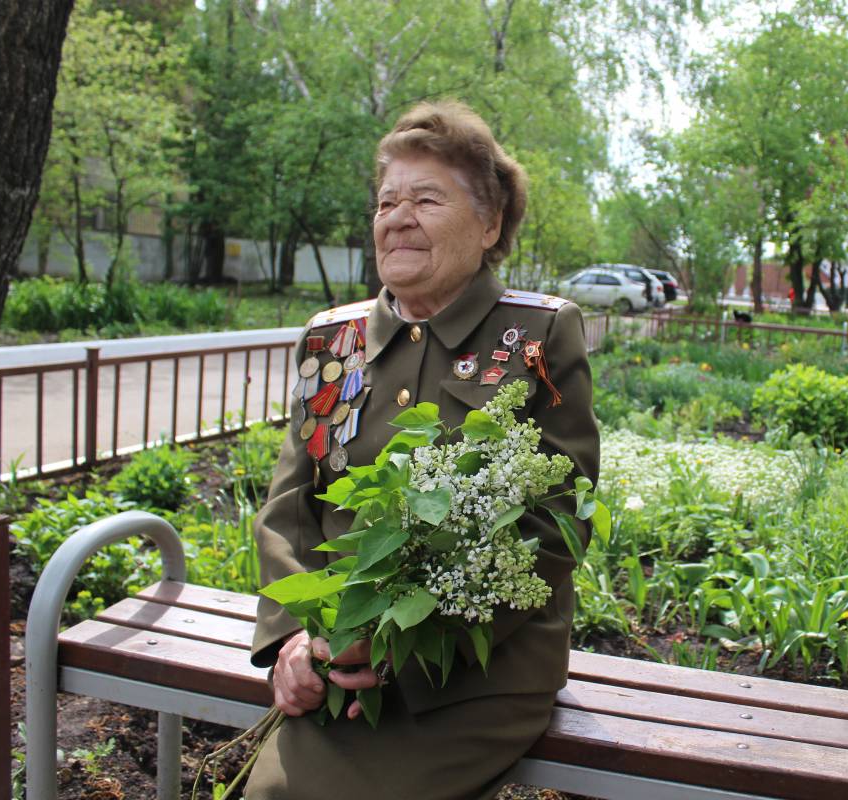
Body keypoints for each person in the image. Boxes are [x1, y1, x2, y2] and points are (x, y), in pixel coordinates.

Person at [246, 101, 600, 800]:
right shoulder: (333, 341)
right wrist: (294, 639)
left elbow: (557, 524)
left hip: (473, 675)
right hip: (331, 661)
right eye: (386, 201)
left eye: (426, 199)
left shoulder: (536, 335)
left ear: (490, 222)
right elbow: (290, 508)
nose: (396, 218)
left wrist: (392, 643)